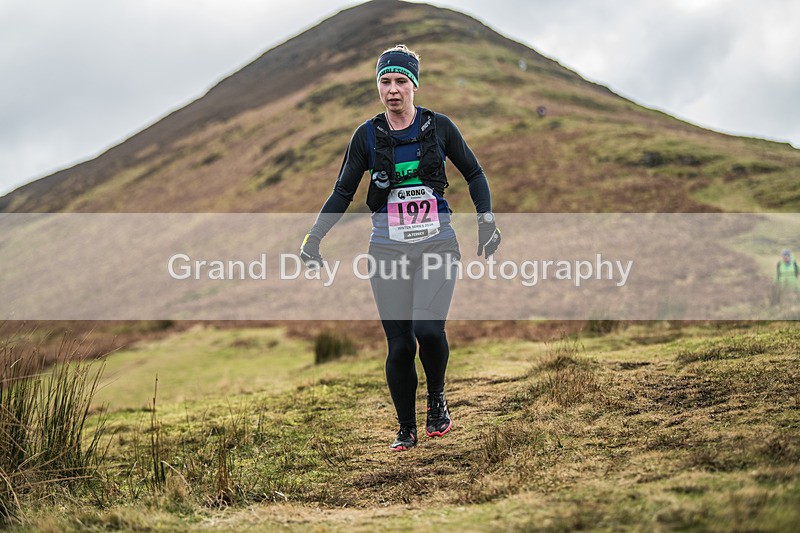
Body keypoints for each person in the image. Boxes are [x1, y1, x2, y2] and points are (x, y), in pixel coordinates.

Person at [299, 44, 501, 451]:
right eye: (385, 81)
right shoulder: (366, 136)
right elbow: (342, 192)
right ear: (379, 86)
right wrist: (314, 237)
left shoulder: (438, 127)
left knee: (428, 329)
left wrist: (486, 220)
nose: (393, 89)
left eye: (401, 81)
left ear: (414, 85)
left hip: (437, 244)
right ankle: (405, 428)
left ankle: (437, 401)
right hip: (387, 250)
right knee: (401, 343)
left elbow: (474, 173)